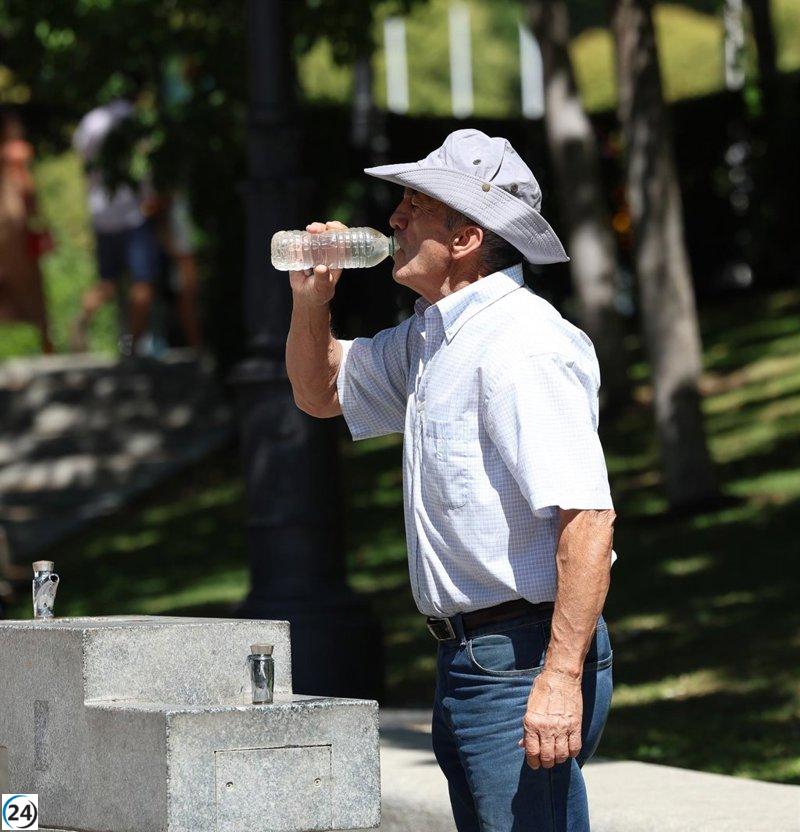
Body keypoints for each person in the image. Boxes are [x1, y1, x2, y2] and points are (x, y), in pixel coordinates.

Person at [286, 129, 617, 831]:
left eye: (415, 206)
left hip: (522, 658)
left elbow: (589, 520)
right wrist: (312, 302)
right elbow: (321, 392)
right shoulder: (433, 336)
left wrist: (559, 679)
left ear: (466, 239)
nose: (394, 219)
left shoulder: (523, 344)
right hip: (474, 657)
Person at [70, 98, 159, 355]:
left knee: (107, 284)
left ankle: (81, 322)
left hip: (101, 214)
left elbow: (83, 161)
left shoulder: (90, 122)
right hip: (133, 214)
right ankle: (132, 346)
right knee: (143, 283)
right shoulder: (133, 118)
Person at [0, 108, 54, 354]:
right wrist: (37, 217)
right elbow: (27, 189)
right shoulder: (17, 151)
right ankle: (47, 347)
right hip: (14, 225)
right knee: (32, 288)